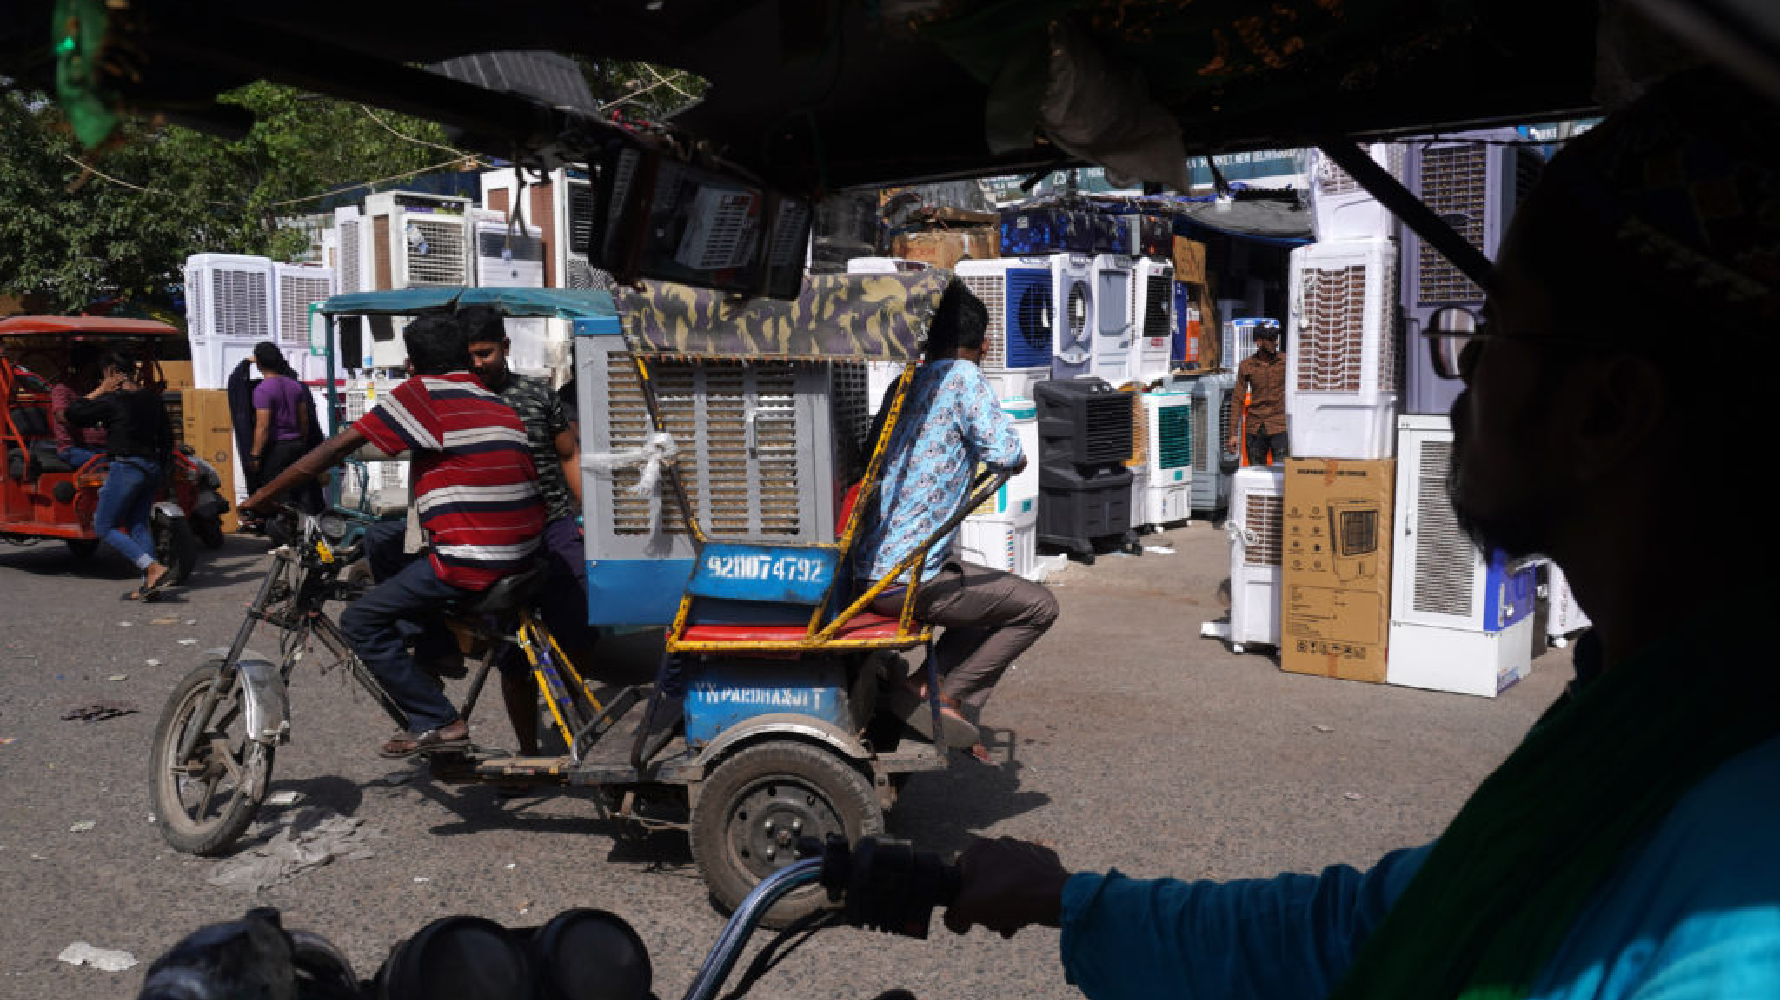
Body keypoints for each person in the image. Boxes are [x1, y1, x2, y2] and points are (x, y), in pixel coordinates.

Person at [943, 67, 1780, 999]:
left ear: (1609, 407)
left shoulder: (1740, 883)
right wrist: (1073, 900)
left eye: (1494, 333)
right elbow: (1367, 926)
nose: (1460, 371)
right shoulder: (1638, 722)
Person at [242, 314, 545, 757]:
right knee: (384, 539)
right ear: (465, 357)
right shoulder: (488, 397)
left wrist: (261, 497)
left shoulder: (422, 393)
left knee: (361, 621)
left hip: (474, 558)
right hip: (524, 549)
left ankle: (437, 719)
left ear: (412, 364)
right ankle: (436, 647)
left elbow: (336, 448)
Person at [858, 282, 1059, 763]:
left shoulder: (906, 382)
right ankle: (939, 694)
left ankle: (921, 686)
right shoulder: (963, 377)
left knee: (990, 592)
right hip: (906, 580)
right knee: (1038, 606)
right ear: (982, 341)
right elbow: (1009, 454)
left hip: (870, 569)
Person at [461, 304, 594, 757]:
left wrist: (586, 521)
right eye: (470, 356)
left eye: (485, 353)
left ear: (505, 347)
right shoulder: (460, 399)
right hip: (497, 539)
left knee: (576, 632)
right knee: (512, 656)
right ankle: (528, 751)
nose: (478, 364)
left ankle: (590, 735)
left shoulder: (538, 395)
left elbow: (568, 455)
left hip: (554, 527)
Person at [63, 352, 175, 599]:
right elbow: (167, 437)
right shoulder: (152, 399)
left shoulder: (114, 401)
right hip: (151, 468)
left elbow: (73, 414)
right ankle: (150, 584)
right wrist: (165, 469)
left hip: (126, 468)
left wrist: (100, 390)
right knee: (137, 524)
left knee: (104, 526)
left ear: (111, 372)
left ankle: (152, 568)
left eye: (103, 375)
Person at [244, 343, 320, 514]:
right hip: (296, 444)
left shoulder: (262, 390)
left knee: (276, 492)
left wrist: (255, 455)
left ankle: (283, 529)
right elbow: (304, 419)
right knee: (299, 489)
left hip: (276, 448)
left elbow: (262, 426)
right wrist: (302, 441)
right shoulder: (295, 386)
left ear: (259, 364)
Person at [1226, 324, 1286, 465]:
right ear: (1259, 342)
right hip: (1255, 428)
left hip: (1280, 426)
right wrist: (1233, 434)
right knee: (1256, 475)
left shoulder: (1286, 361)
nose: (1276, 342)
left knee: (1283, 475)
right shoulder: (1246, 365)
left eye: (1276, 338)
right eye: (1271, 338)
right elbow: (1238, 399)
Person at [49, 345, 107, 468]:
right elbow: (62, 417)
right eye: (100, 364)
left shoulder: (101, 388)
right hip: (74, 449)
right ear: (88, 365)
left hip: (104, 447)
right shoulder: (62, 389)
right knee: (104, 465)